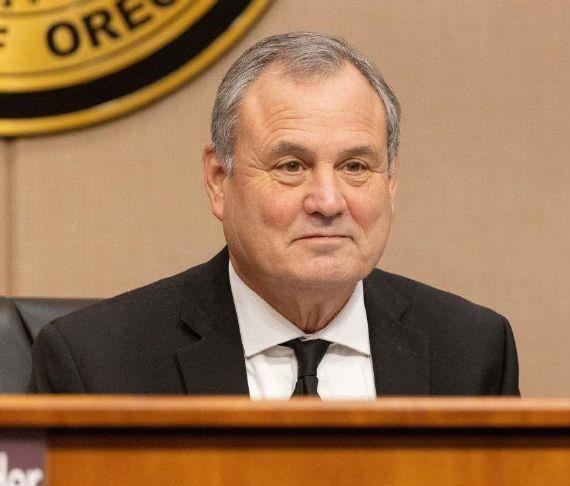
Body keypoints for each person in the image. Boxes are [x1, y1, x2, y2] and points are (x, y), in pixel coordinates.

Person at [28, 32, 519, 398]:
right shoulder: (95, 364)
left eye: (355, 166)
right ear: (218, 180)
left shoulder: (473, 352)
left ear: (390, 183)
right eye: (291, 166)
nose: (328, 201)